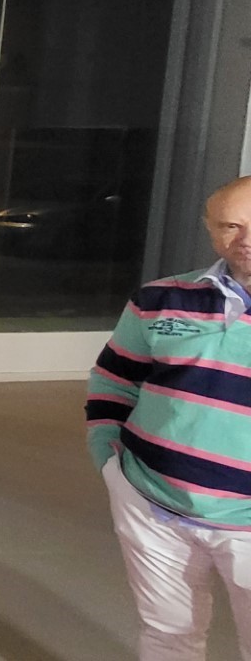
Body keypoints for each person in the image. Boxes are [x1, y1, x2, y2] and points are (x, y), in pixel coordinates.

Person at [88, 176, 251, 660]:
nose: (245, 240)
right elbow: (113, 380)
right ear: (209, 228)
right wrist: (110, 464)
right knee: (167, 635)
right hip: (151, 502)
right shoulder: (160, 298)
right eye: (230, 225)